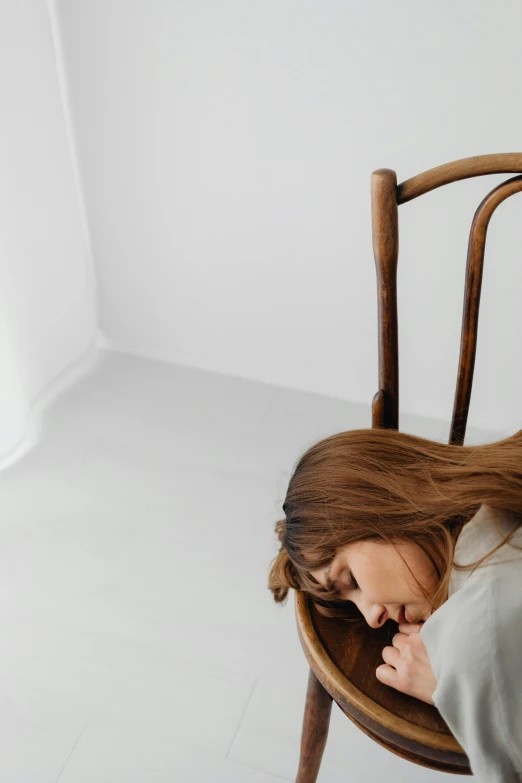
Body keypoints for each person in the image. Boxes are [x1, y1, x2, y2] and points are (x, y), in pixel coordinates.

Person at [268, 427, 522, 782]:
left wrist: (453, 685)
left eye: (351, 581)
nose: (372, 617)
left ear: (384, 504)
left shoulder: (479, 638)